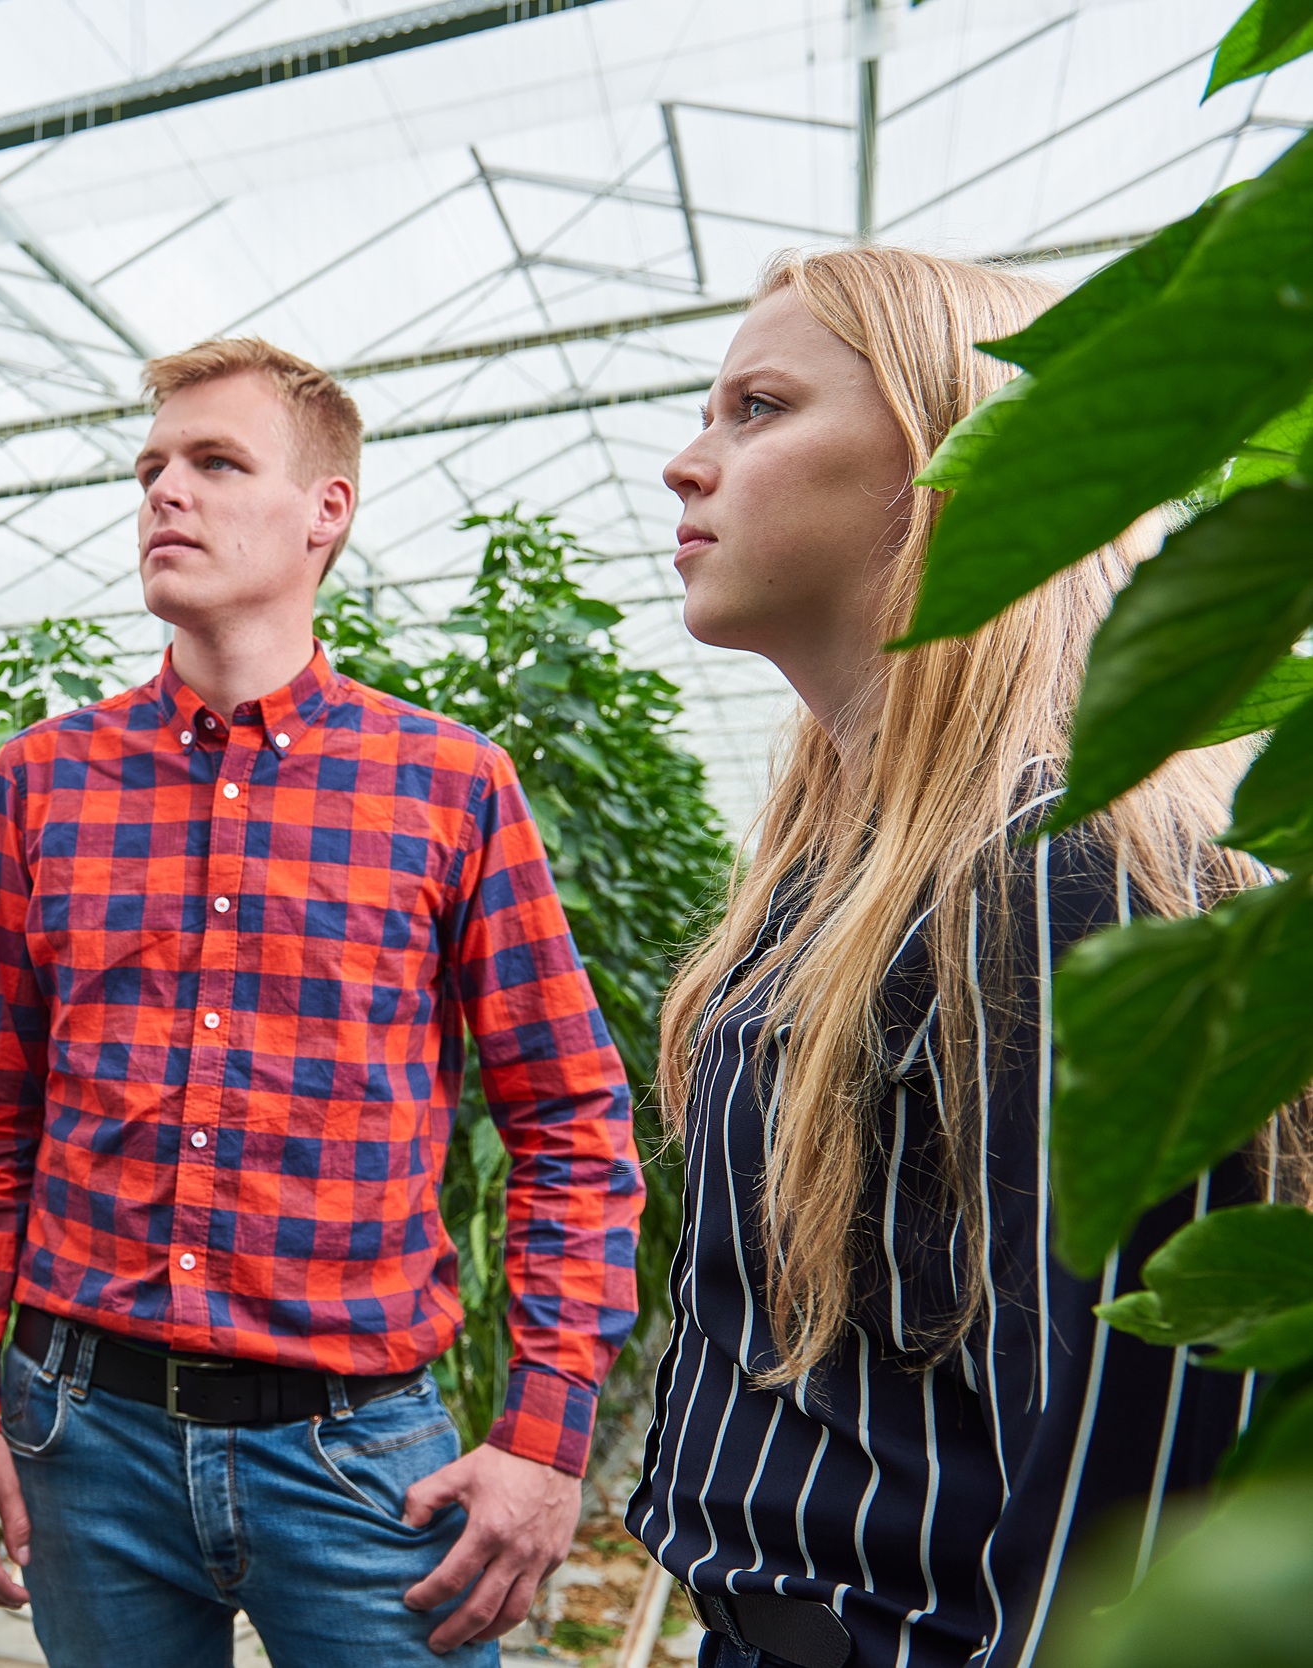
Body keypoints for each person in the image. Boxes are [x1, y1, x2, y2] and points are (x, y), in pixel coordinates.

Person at [0, 337, 644, 1666]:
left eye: (214, 462)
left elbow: (570, 1115)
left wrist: (544, 1436)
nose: (163, 495)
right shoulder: (43, 781)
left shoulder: (449, 785)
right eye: (150, 469)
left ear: (326, 512)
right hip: (85, 1434)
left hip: (360, 1452)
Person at [627, 247, 1285, 1668]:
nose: (688, 463)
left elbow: (1144, 1513)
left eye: (757, 408)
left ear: (946, 462)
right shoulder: (842, 876)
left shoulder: (1076, 880)